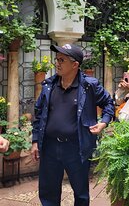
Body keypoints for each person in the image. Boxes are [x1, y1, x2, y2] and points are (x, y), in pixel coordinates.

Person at [31, 44, 114, 206]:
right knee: (48, 193)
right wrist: (35, 141)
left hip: (77, 148)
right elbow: (39, 113)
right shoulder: (49, 86)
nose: (57, 63)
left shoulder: (89, 86)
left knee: (81, 193)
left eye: (62, 60)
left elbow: (109, 103)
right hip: (50, 148)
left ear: (75, 64)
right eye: (57, 59)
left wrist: (103, 123)